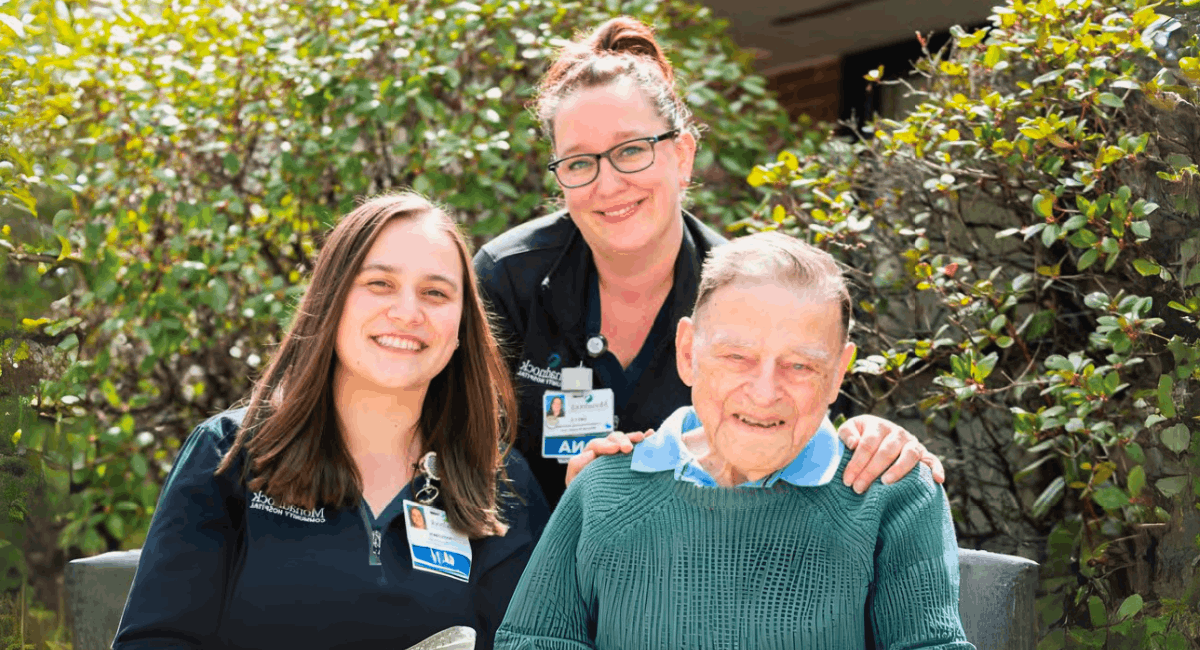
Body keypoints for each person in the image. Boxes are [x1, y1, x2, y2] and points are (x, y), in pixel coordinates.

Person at [474, 16, 943, 506]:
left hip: (707, 563)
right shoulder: (507, 278)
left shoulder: (746, 291)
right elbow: (458, 446)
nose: (607, 183)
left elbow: (802, 442)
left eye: (631, 151)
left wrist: (870, 441)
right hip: (532, 566)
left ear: (682, 155)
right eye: (579, 162)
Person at [114, 193, 551, 650]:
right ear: (331, 298)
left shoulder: (504, 485)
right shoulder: (228, 453)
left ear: (462, 326)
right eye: (380, 283)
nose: (407, 312)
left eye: (435, 293)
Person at [494, 233, 973, 649]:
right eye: (736, 357)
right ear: (688, 353)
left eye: (800, 365)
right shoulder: (606, 485)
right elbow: (534, 640)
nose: (765, 392)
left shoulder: (891, 491)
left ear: (837, 375)